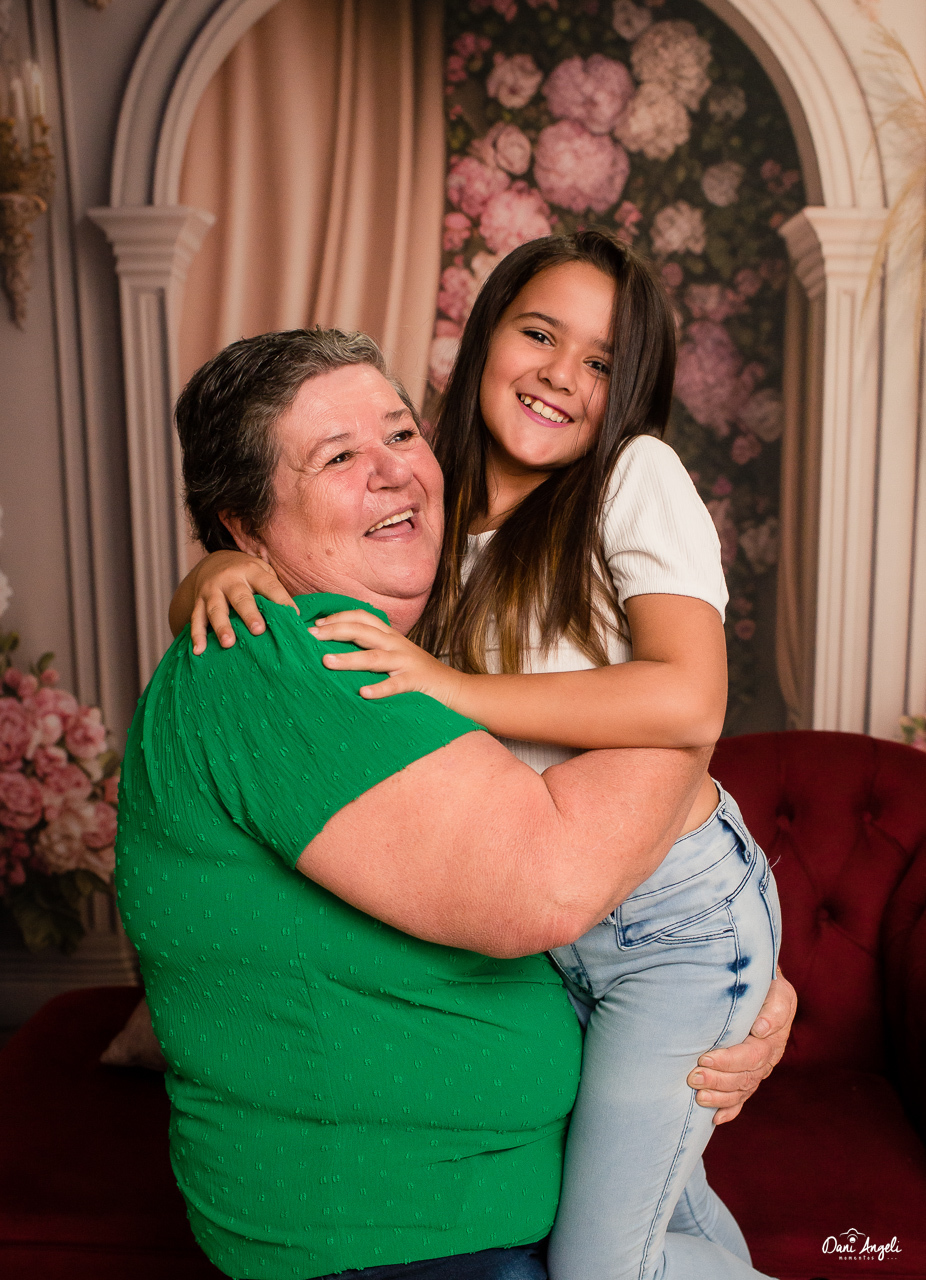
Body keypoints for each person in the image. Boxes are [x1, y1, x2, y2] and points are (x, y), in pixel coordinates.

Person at [178, 236, 781, 1280]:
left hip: (671, 921)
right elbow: (302, 550)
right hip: (555, 934)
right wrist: (214, 568)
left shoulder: (631, 475)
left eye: (601, 360)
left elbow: (690, 699)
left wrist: (452, 686)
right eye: (539, 332)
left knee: (600, 1265)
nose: (561, 373)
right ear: (484, 332)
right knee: (660, 1215)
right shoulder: (431, 496)